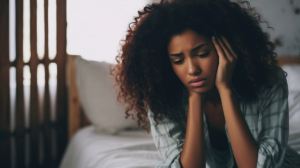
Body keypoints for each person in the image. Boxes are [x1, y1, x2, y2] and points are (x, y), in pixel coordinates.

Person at [109, 0, 300, 167]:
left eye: (202, 54)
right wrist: (194, 98)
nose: (192, 69)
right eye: (178, 60)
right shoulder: (162, 97)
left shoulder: (269, 82)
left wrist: (225, 90)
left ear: (227, 47)